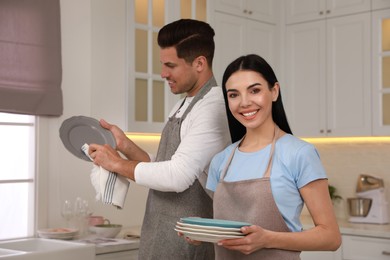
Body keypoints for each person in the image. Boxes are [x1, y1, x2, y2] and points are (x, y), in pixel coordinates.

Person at [88, 19, 230, 259]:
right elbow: (164, 165)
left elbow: (177, 176)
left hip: (186, 242)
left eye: (170, 65)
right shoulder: (183, 105)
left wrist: (116, 164)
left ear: (199, 63)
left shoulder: (213, 108)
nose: (163, 73)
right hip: (159, 233)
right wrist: (125, 146)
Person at [181, 54, 341, 259]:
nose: (244, 102)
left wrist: (266, 239)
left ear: (274, 92)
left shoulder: (299, 153)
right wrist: (201, 234)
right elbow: (226, 228)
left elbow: (331, 237)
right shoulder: (221, 160)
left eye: (254, 91)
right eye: (233, 95)